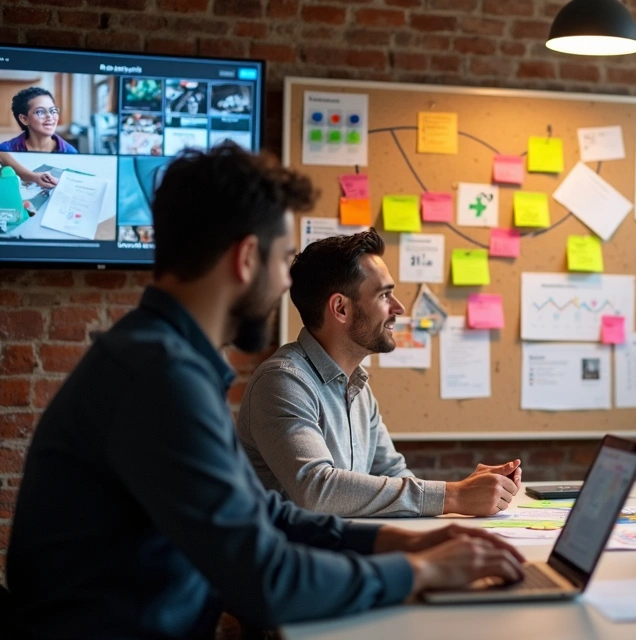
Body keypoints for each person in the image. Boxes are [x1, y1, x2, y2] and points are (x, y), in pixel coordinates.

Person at [7, 144, 524, 637]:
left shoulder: (160, 357)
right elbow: (266, 579)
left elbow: (261, 513)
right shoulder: (160, 377)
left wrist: (398, 541)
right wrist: (420, 572)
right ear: (247, 258)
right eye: (283, 262)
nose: (284, 286)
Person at [237, 229, 523, 518]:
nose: (398, 308)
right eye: (385, 295)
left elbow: (394, 474)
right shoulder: (282, 381)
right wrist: (455, 495)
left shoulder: (357, 386)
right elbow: (317, 490)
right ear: (340, 308)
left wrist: (469, 490)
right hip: (292, 547)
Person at [0, 87, 79, 189]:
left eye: (53, 110)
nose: (50, 116)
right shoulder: (7, 149)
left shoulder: (70, 152)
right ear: (24, 119)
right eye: (40, 112)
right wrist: (32, 177)